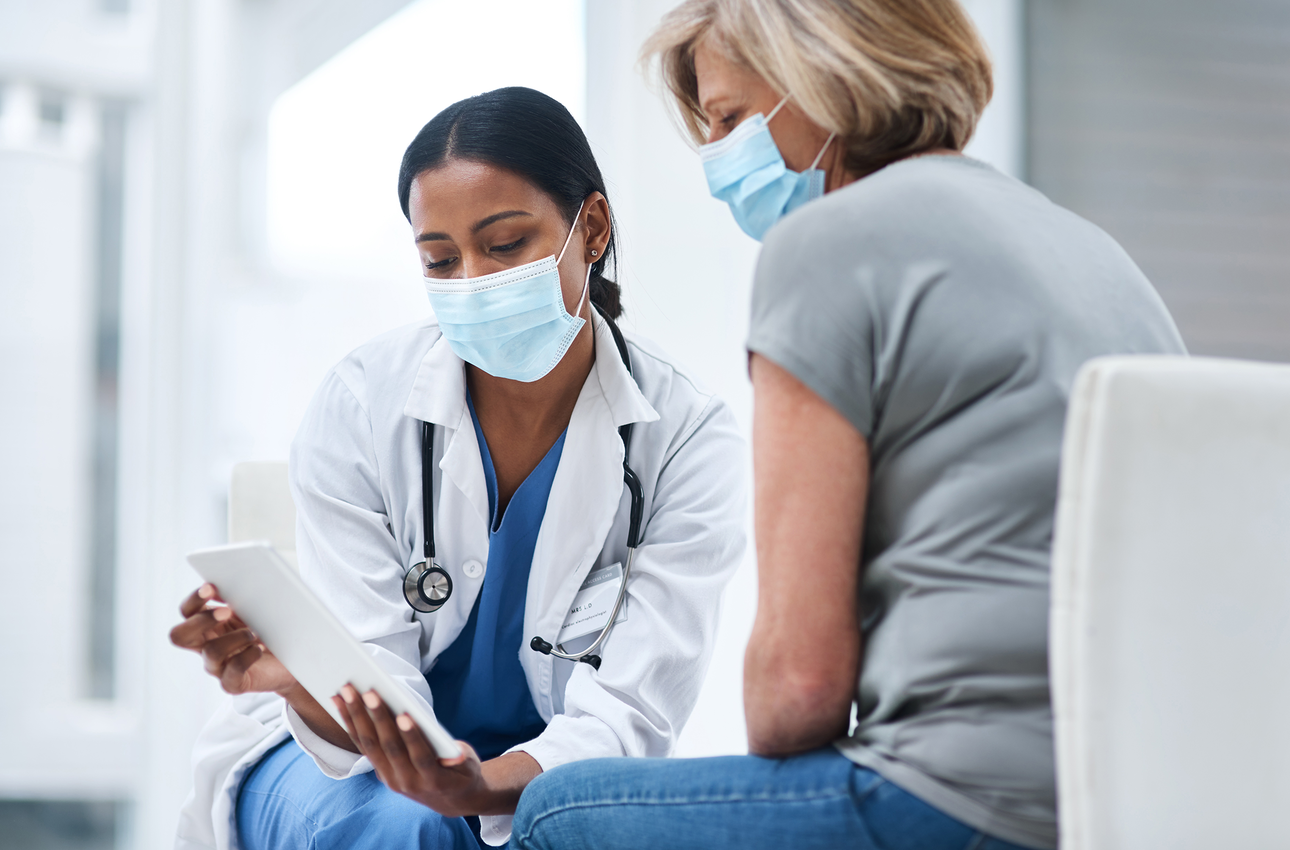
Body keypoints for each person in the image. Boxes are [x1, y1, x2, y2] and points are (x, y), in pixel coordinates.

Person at [510, 2, 1186, 849]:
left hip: (961, 804)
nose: (719, 157)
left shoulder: (826, 245)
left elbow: (797, 693)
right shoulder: (1093, 251)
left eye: (728, 118)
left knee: (556, 812)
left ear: (824, 74)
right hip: (1130, 799)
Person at [169, 86, 746, 850]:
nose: (473, 280)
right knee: (418, 830)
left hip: (537, 776)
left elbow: (631, 715)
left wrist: (477, 786)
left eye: (505, 245)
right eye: (440, 260)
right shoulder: (363, 405)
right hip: (334, 762)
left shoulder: (685, 441)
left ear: (593, 227)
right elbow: (367, 694)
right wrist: (301, 686)